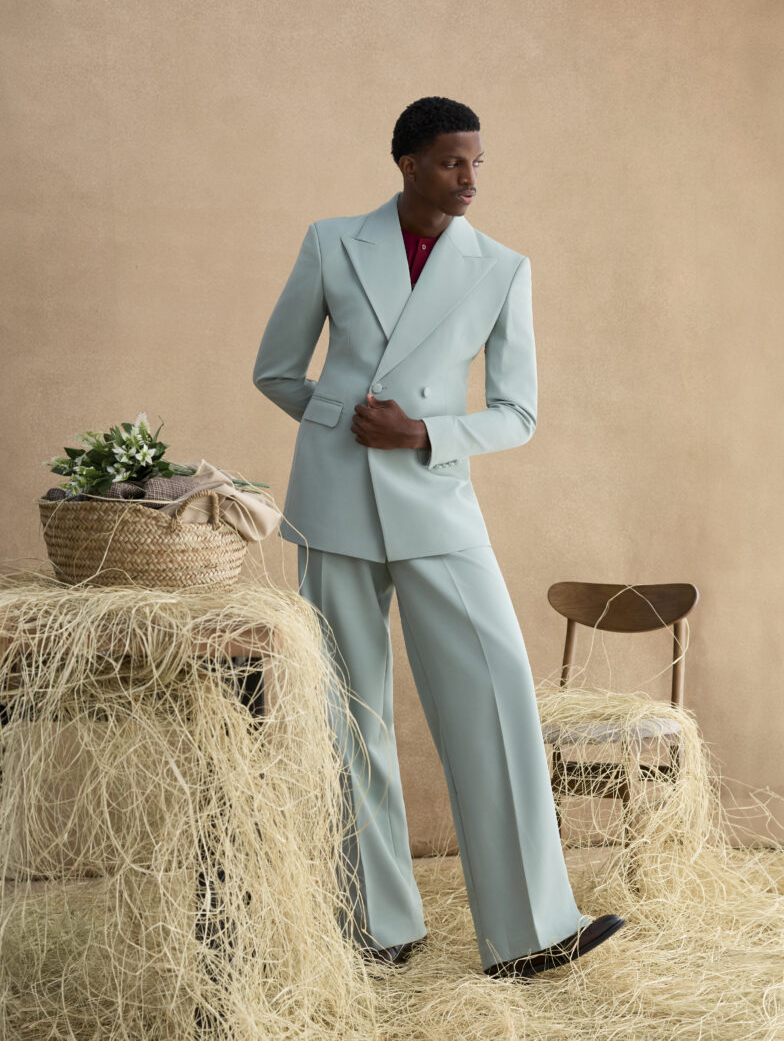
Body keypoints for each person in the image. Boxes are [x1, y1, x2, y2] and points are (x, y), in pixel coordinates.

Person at [252, 95, 625, 980]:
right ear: (409, 162)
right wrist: (346, 426)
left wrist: (422, 433)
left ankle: (532, 929)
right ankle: (376, 924)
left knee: (496, 693)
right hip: (336, 500)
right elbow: (277, 369)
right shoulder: (332, 242)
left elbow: (518, 412)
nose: (469, 178)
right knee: (349, 713)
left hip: (435, 499)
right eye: (454, 161)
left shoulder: (501, 268)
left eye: (477, 162)